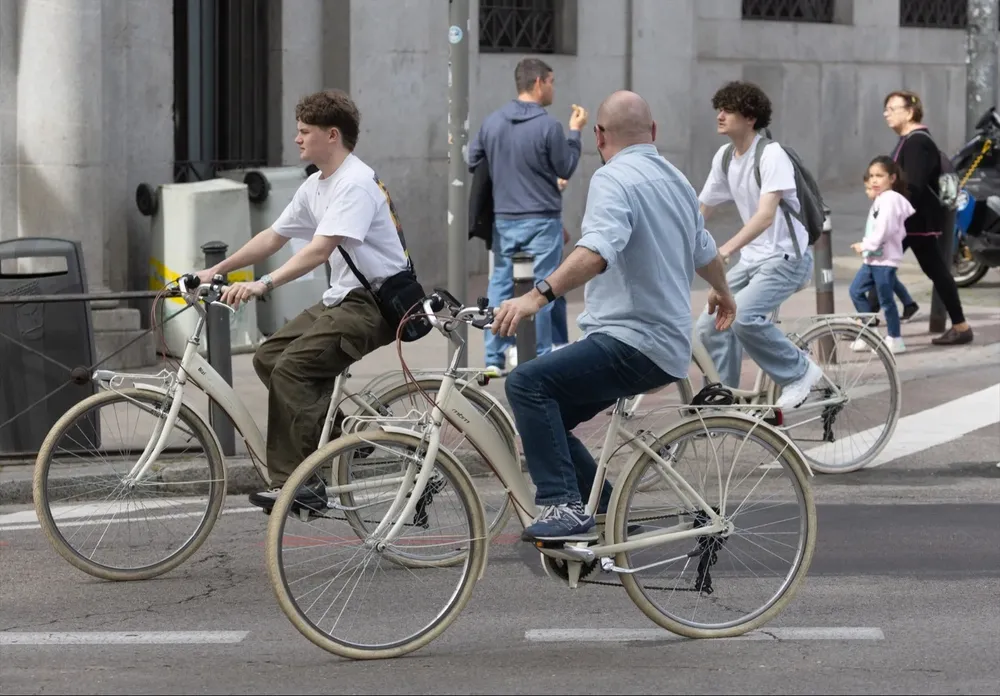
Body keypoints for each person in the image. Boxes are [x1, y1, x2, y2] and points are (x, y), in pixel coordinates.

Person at [490, 90, 736, 541]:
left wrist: (535, 297)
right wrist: (723, 290)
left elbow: (596, 252)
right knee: (550, 414)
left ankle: (564, 507)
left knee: (526, 383)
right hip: (663, 346)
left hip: (630, 342)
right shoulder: (677, 180)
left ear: (598, 135)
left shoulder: (613, 178)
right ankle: (602, 513)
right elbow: (705, 249)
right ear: (654, 132)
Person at [194, 89, 412, 512]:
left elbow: (319, 249)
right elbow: (273, 237)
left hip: (373, 304)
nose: (297, 139)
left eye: (304, 131)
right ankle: (346, 439)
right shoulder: (316, 184)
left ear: (332, 135)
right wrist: (215, 271)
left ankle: (298, 484)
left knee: (293, 369)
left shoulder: (354, 184)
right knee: (269, 357)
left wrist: (265, 284)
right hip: (343, 299)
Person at [695, 80, 823, 410]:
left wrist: (723, 251)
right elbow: (700, 209)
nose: (720, 115)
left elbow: (765, 216)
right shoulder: (725, 157)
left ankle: (800, 372)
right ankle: (727, 401)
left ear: (750, 118)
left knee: (743, 317)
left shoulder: (771, 155)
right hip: (753, 261)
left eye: (728, 110)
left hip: (787, 259)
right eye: (718, 109)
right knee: (708, 328)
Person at [467, 57, 587, 377]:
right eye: (551, 82)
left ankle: (493, 357)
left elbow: (472, 158)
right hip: (542, 218)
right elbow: (565, 167)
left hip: (505, 219)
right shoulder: (549, 126)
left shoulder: (492, 122)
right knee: (544, 286)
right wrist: (575, 133)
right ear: (538, 83)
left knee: (501, 283)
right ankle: (541, 355)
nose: (553, 88)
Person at [877, 90, 973, 345]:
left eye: (892, 108)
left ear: (909, 112)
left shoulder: (917, 142)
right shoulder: (911, 140)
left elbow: (915, 186)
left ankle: (860, 322)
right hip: (916, 221)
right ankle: (961, 326)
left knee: (877, 265)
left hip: (912, 221)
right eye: (885, 108)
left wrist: (893, 218)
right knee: (932, 271)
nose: (886, 113)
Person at [848, 156, 916, 354]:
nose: (874, 180)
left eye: (880, 176)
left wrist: (866, 244)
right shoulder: (881, 199)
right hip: (873, 258)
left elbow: (885, 229)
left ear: (892, 178)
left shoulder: (890, 199)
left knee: (886, 302)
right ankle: (870, 333)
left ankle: (895, 339)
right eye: (871, 176)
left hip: (885, 260)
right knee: (856, 291)